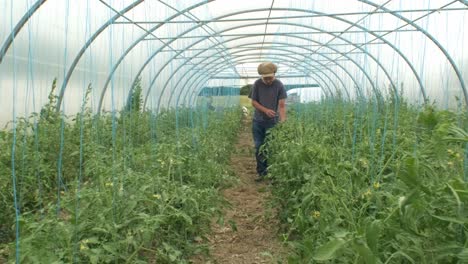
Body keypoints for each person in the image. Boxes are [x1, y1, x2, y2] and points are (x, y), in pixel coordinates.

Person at [249, 62, 287, 181]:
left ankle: (272, 172)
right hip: (258, 121)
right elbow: (253, 102)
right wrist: (265, 110)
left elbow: (281, 106)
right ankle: (262, 173)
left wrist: (283, 121)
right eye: (266, 78)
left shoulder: (279, 85)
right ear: (261, 77)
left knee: (271, 147)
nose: (268, 81)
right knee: (259, 146)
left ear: (274, 75)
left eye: (270, 78)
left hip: (272, 122)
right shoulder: (257, 84)